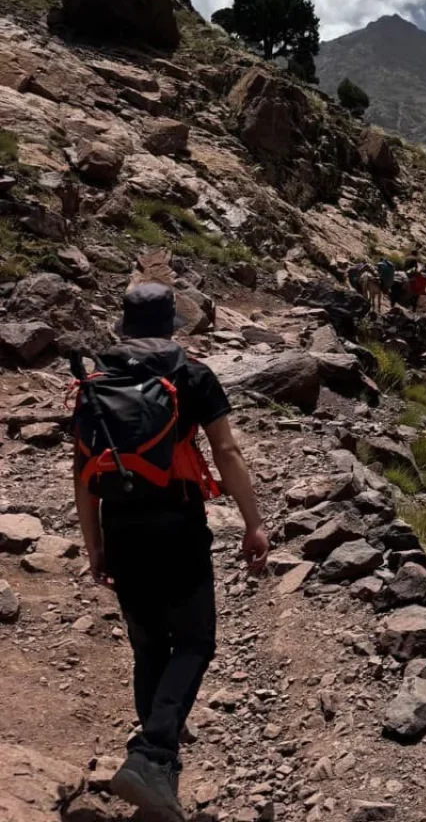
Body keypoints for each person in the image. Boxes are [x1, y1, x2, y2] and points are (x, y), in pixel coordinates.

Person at [72, 283, 269, 822]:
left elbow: (82, 472)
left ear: (123, 324)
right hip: (178, 525)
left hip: (121, 529)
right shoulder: (192, 375)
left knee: (149, 647)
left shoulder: (96, 380)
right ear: (171, 324)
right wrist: (254, 522)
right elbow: (226, 450)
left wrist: (94, 544)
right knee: (196, 641)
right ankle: (153, 756)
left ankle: (159, 774)